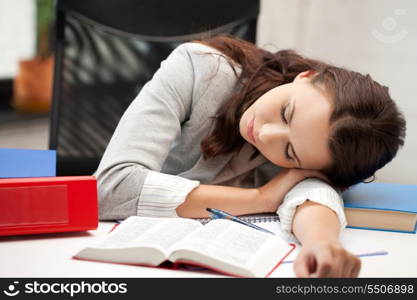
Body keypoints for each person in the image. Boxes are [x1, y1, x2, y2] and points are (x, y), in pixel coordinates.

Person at [95, 34, 406, 277]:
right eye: (287, 112)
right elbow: (107, 190)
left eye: (289, 152)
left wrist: (321, 244)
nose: (266, 134)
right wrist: (261, 198)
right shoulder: (198, 68)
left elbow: (313, 194)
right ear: (306, 76)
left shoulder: (314, 153)